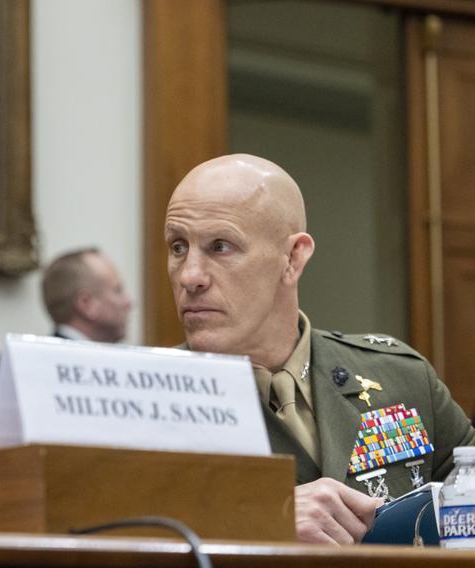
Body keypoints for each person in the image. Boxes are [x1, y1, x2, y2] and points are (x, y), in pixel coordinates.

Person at [164, 153, 475, 545]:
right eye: (177, 247)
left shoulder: (400, 378)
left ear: (293, 258)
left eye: (220, 246)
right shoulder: (148, 402)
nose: (190, 276)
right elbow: (103, 537)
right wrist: (261, 519)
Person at [0, 248, 132, 432]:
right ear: (86, 304)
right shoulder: (33, 367)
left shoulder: (32, 363)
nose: (129, 302)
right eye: (118, 290)